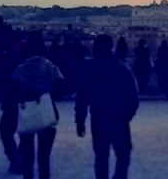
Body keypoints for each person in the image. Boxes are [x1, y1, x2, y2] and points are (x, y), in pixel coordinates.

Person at [75, 34, 139, 179]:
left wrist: (80, 121)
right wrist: (127, 116)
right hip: (119, 119)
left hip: (99, 118)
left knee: (101, 157)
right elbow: (133, 97)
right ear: (112, 47)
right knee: (123, 154)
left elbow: (82, 99)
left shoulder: (89, 70)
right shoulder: (122, 69)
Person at [9, 31, 64, 179]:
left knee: (28, 158)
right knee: (44, 158)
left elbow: (12, 93)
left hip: (26, 114)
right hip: (46, 114)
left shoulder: (19, 69)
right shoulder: (50, 67)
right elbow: (60, 92)